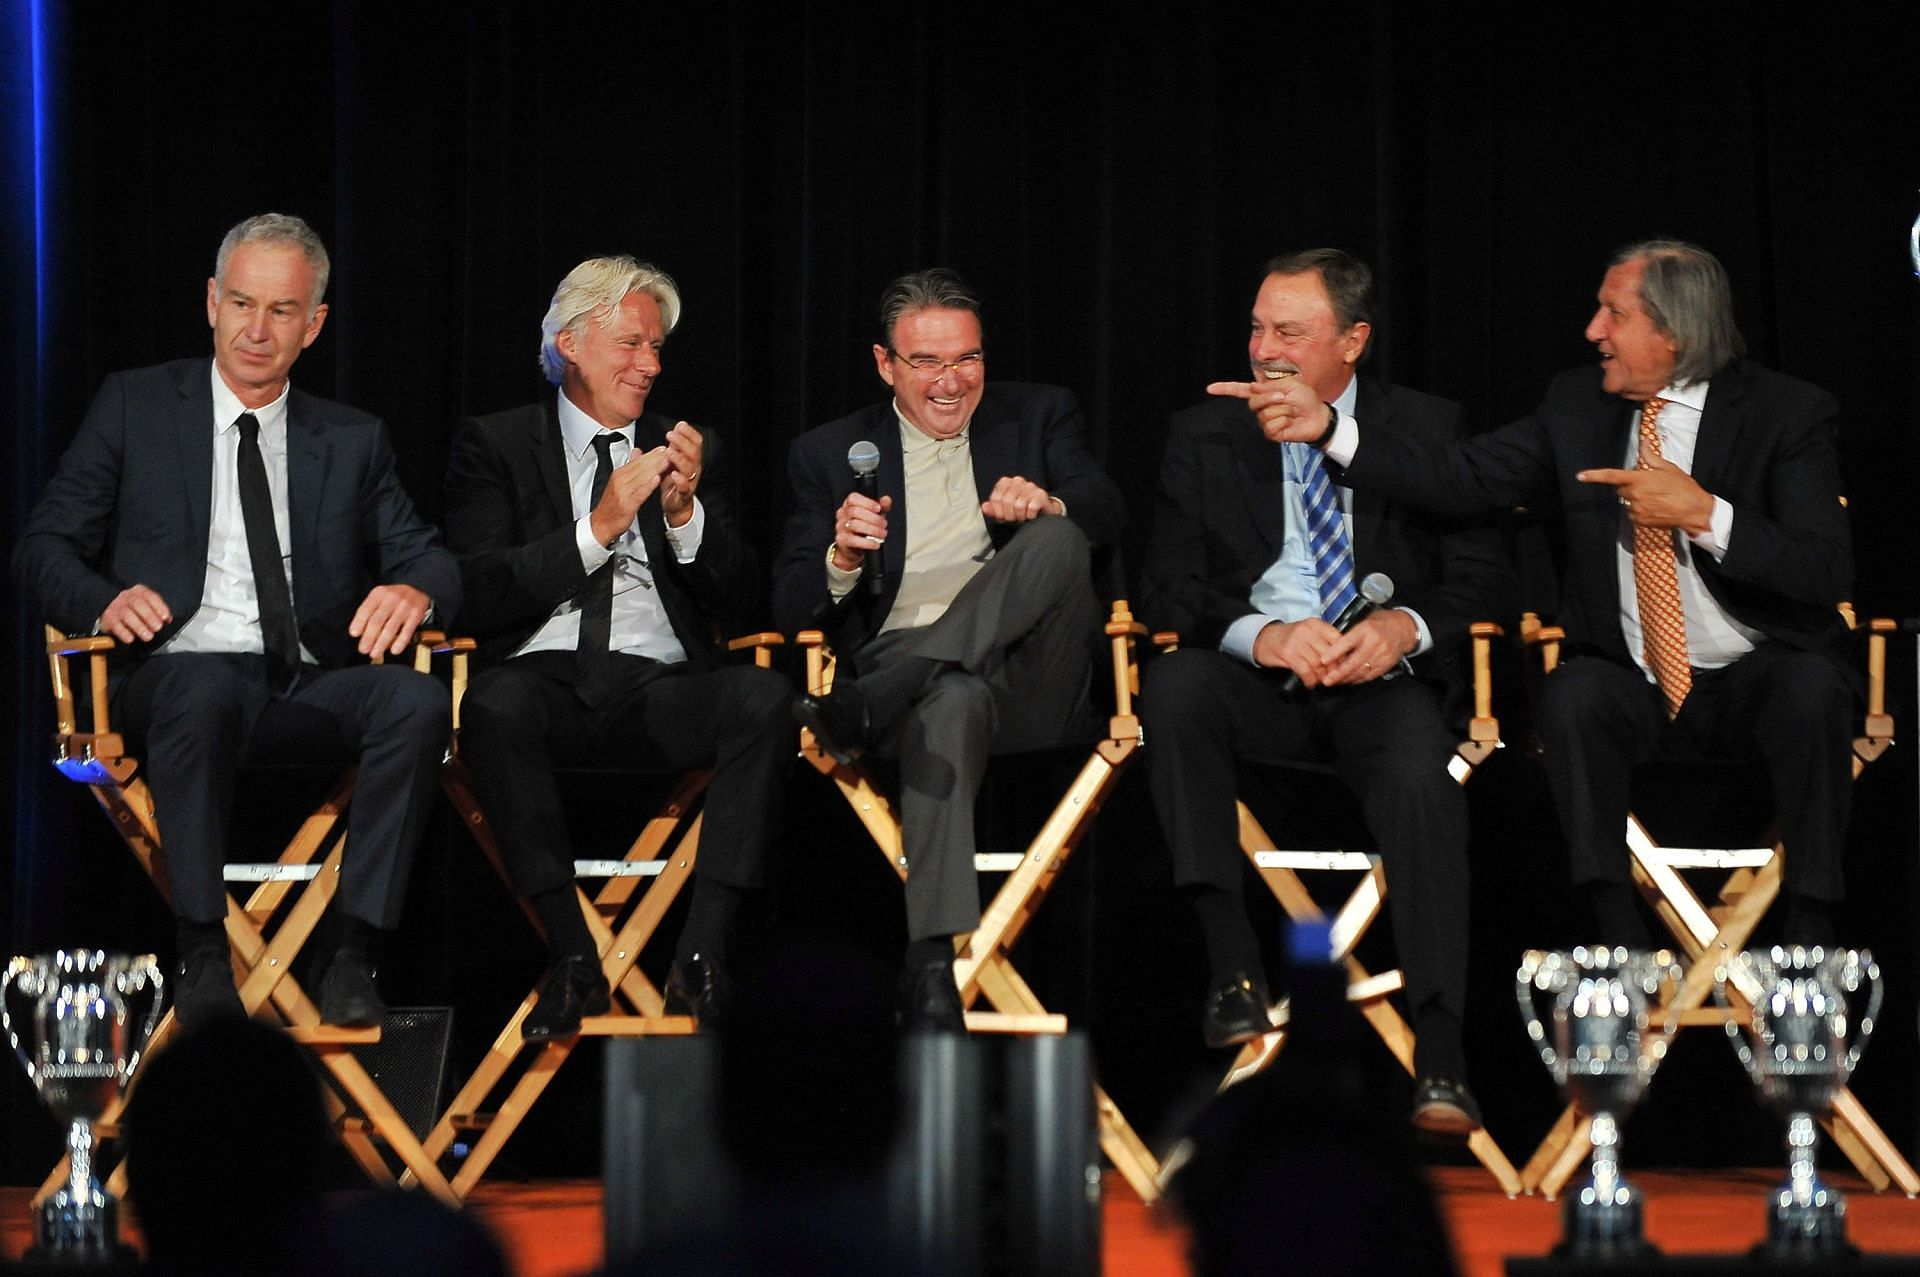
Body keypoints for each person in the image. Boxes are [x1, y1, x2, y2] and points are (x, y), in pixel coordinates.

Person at [1238, 239, 1854, 949]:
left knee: (1813, 687)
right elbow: (1459, 476)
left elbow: (1823, 569)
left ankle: (1814, 932)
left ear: (1675, 331)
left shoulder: (1789, 412)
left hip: (1757, 674)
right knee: (1573, 694)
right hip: (1634, 682)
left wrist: (1705, 514)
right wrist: (1330, 429)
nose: (1594, 330)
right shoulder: (1576, 404)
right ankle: (1612, 940)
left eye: (1613, 314)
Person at [14, 213, 458, 1030]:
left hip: (301, 682)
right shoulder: (134, 405)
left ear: (314, 323)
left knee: (418, 703)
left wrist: (416, 593)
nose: (257, 329)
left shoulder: (353, 439)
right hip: (172, 679)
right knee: (202, 684)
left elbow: (427, 555)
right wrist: (103, 601)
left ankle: (352, 951)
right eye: (242, 303)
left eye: (282, 310)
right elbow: (42, 548)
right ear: (211, 302)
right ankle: (203, 950)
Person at [1141, 249, 1511, 1136]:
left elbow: (1483, 580)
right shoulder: (1206, 432)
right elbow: (1166, 591)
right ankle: (1233, 971)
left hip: (1378, 684)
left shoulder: (1427, 426)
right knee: (1174, 684)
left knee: (1425, 773)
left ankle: (1440, 1051)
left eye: (1290, 333)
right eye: (1257, 329)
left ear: (1353, 341)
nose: (1264, 351)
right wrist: (1262, 634)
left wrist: (1402, 628)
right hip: (1253, 683)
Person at [444, 257, 790, 1035]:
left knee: (764, 698)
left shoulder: (685, 447)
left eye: (657, 348)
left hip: (657, 687)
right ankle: (572, 954)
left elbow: (744, 593)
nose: (651, 364)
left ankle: (702, 957)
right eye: (631, 344)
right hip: (545, 683)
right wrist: (597, 528)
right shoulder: (495, 444)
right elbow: (480, 588)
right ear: (570, 342)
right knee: (491, 704)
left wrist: (683, 515)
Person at [775, 267, 1125, 1031]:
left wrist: (1047, 501)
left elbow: (1106, 506)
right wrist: (840, 557)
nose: (950, 381)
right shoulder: (830, 452)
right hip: (925, 690)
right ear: (885, 364)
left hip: (1031, 673)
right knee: (951, 694)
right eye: (926, 362)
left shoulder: (1038, 415)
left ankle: (889, 690)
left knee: (1059, 537)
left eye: (966, 358)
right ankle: (931, 966)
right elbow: (789, 601)